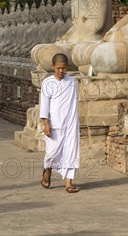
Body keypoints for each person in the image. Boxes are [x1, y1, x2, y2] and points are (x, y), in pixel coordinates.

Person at [40, 53, 80, 193]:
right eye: (58, 68)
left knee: (71, 152)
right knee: (52, 152)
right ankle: (47, 170)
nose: (61, 71)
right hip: (54, 124)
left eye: (63, 68)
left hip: (70, 124)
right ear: (52, 67)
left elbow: (74, 103)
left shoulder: (72, 82)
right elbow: (44, 105)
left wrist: (75, 122)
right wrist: (46, 124)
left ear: (66, 67)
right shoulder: (47, 83)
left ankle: (68, 183)